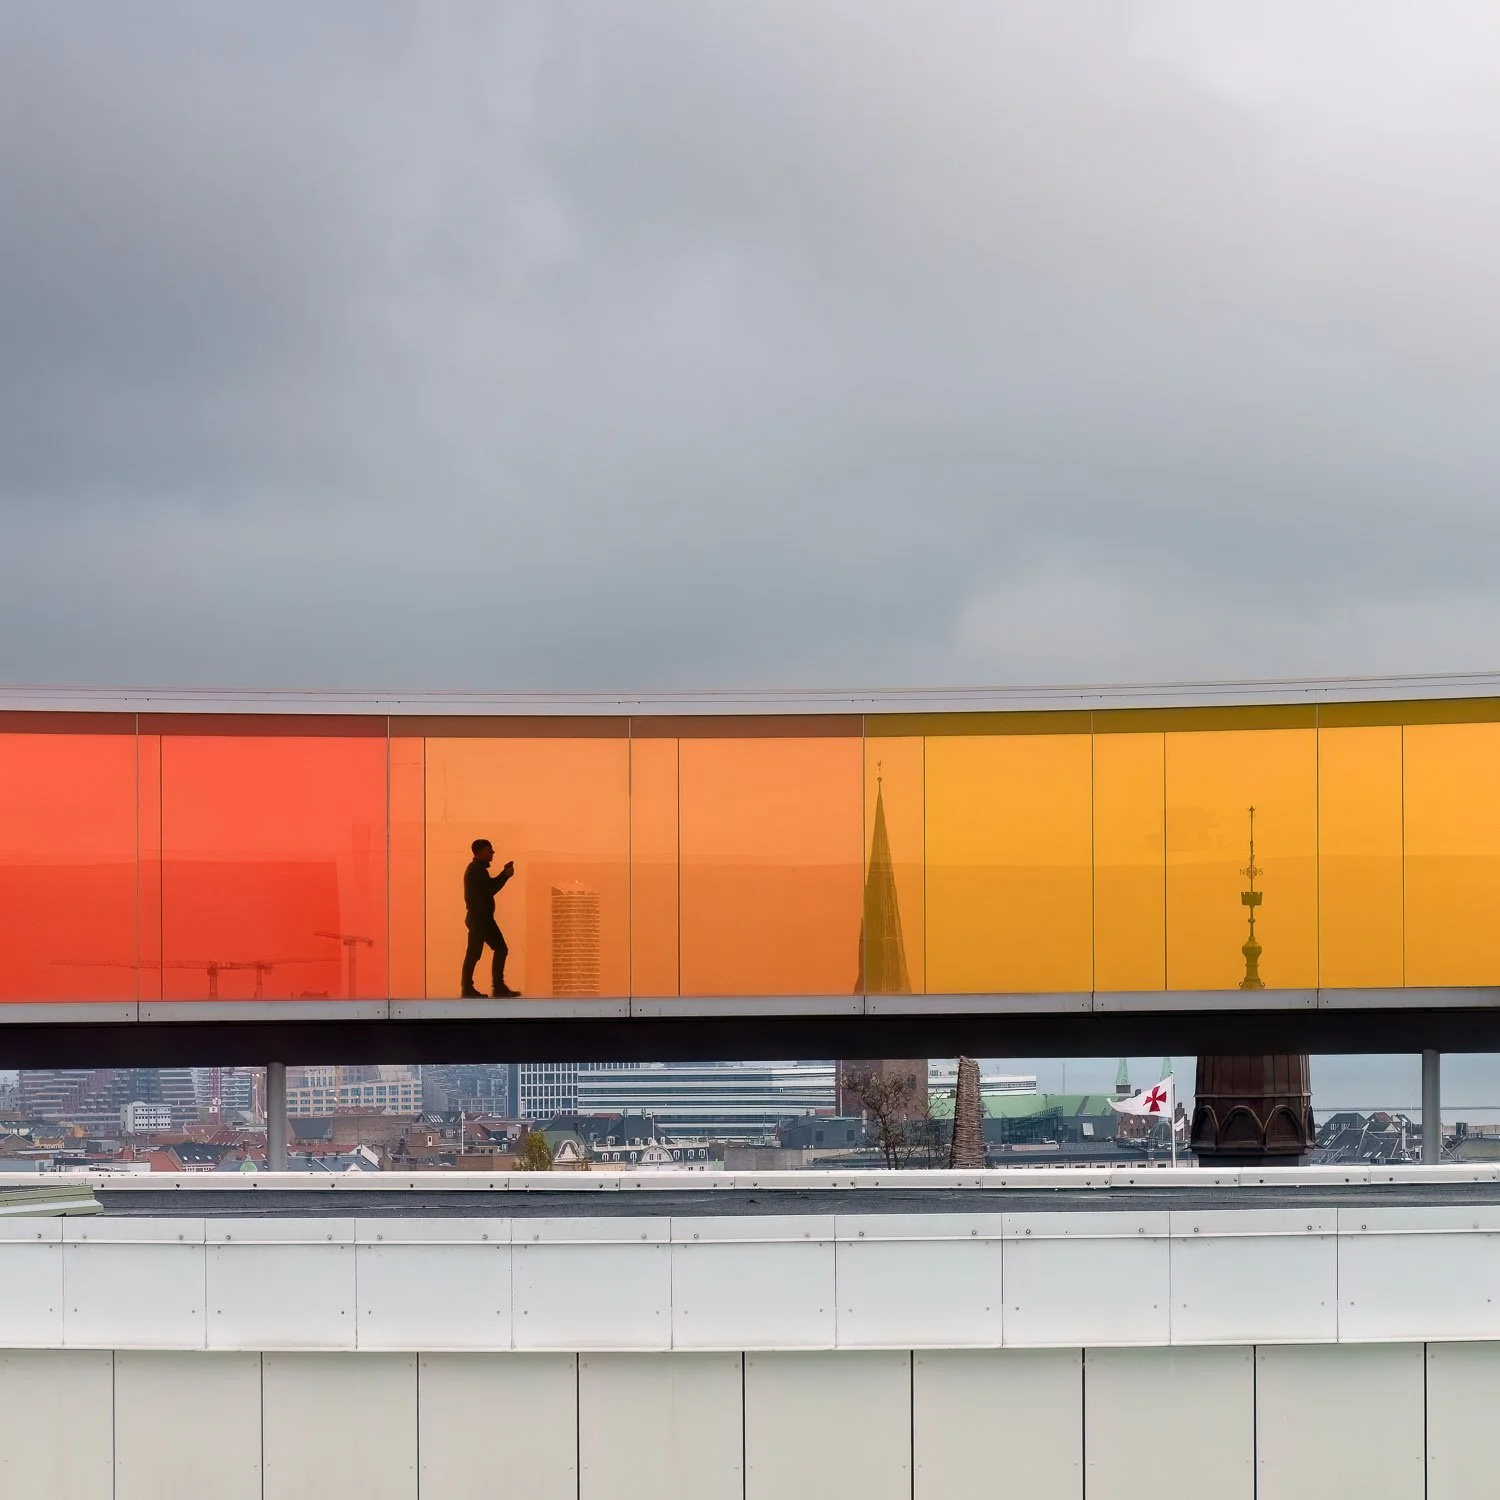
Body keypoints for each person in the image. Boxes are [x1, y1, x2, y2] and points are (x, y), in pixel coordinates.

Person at [461, 838, 520, 998]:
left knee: (481, 952)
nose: (492, 853)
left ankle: (479, 988)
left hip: (481, 919)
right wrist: (505, 875)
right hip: (480, 920)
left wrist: (504, 874)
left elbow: (488, 888)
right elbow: (491, 888)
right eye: (489, 851)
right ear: (479, 852)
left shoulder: (476, 869)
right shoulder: (476, 870)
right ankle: (477, 988)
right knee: (478, 953)